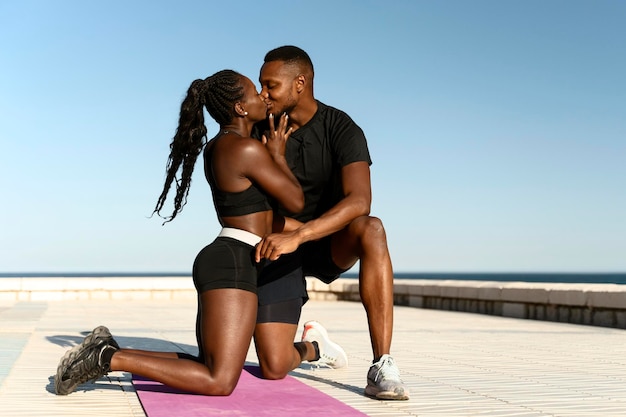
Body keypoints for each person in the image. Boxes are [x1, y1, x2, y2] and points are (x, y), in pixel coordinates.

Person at [53, 69, 339, 396]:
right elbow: (295, 200)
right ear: (240, 109)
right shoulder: (247, 150)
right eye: (252, 92)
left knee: (208, 364)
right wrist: (277, 155)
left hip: (226, 255)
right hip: (233, 260)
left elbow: (262, 212)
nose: (262, 96)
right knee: (219, 381)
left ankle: (105, 350)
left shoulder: (221, 147)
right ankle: (108, 357)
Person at [252, 46, 409, 400]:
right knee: (272, 366)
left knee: (373, 227)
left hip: (328, 242)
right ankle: (315, 348)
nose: (263, 94)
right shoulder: (260, 130)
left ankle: (382, 364)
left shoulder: (341, 128)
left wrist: (303, 234)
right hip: (278, 246)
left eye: (270, 85)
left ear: (300, 83)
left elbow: (359, 201)